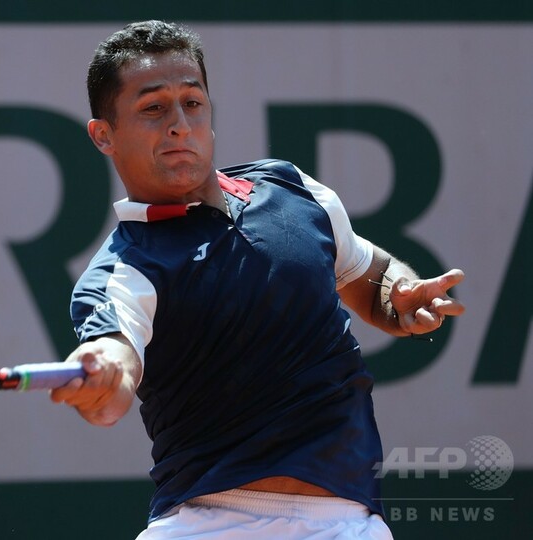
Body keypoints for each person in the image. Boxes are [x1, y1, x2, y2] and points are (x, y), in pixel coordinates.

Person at [49, 20, 465, 539]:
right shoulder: (123, 268)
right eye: (153, 108)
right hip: (206, 524)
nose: (179, 124)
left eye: (193, 103)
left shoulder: (292, 190)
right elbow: (115, 368)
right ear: (103, 135)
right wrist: (104, 373)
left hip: (348, 523)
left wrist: (400, 294)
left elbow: (372, 278)